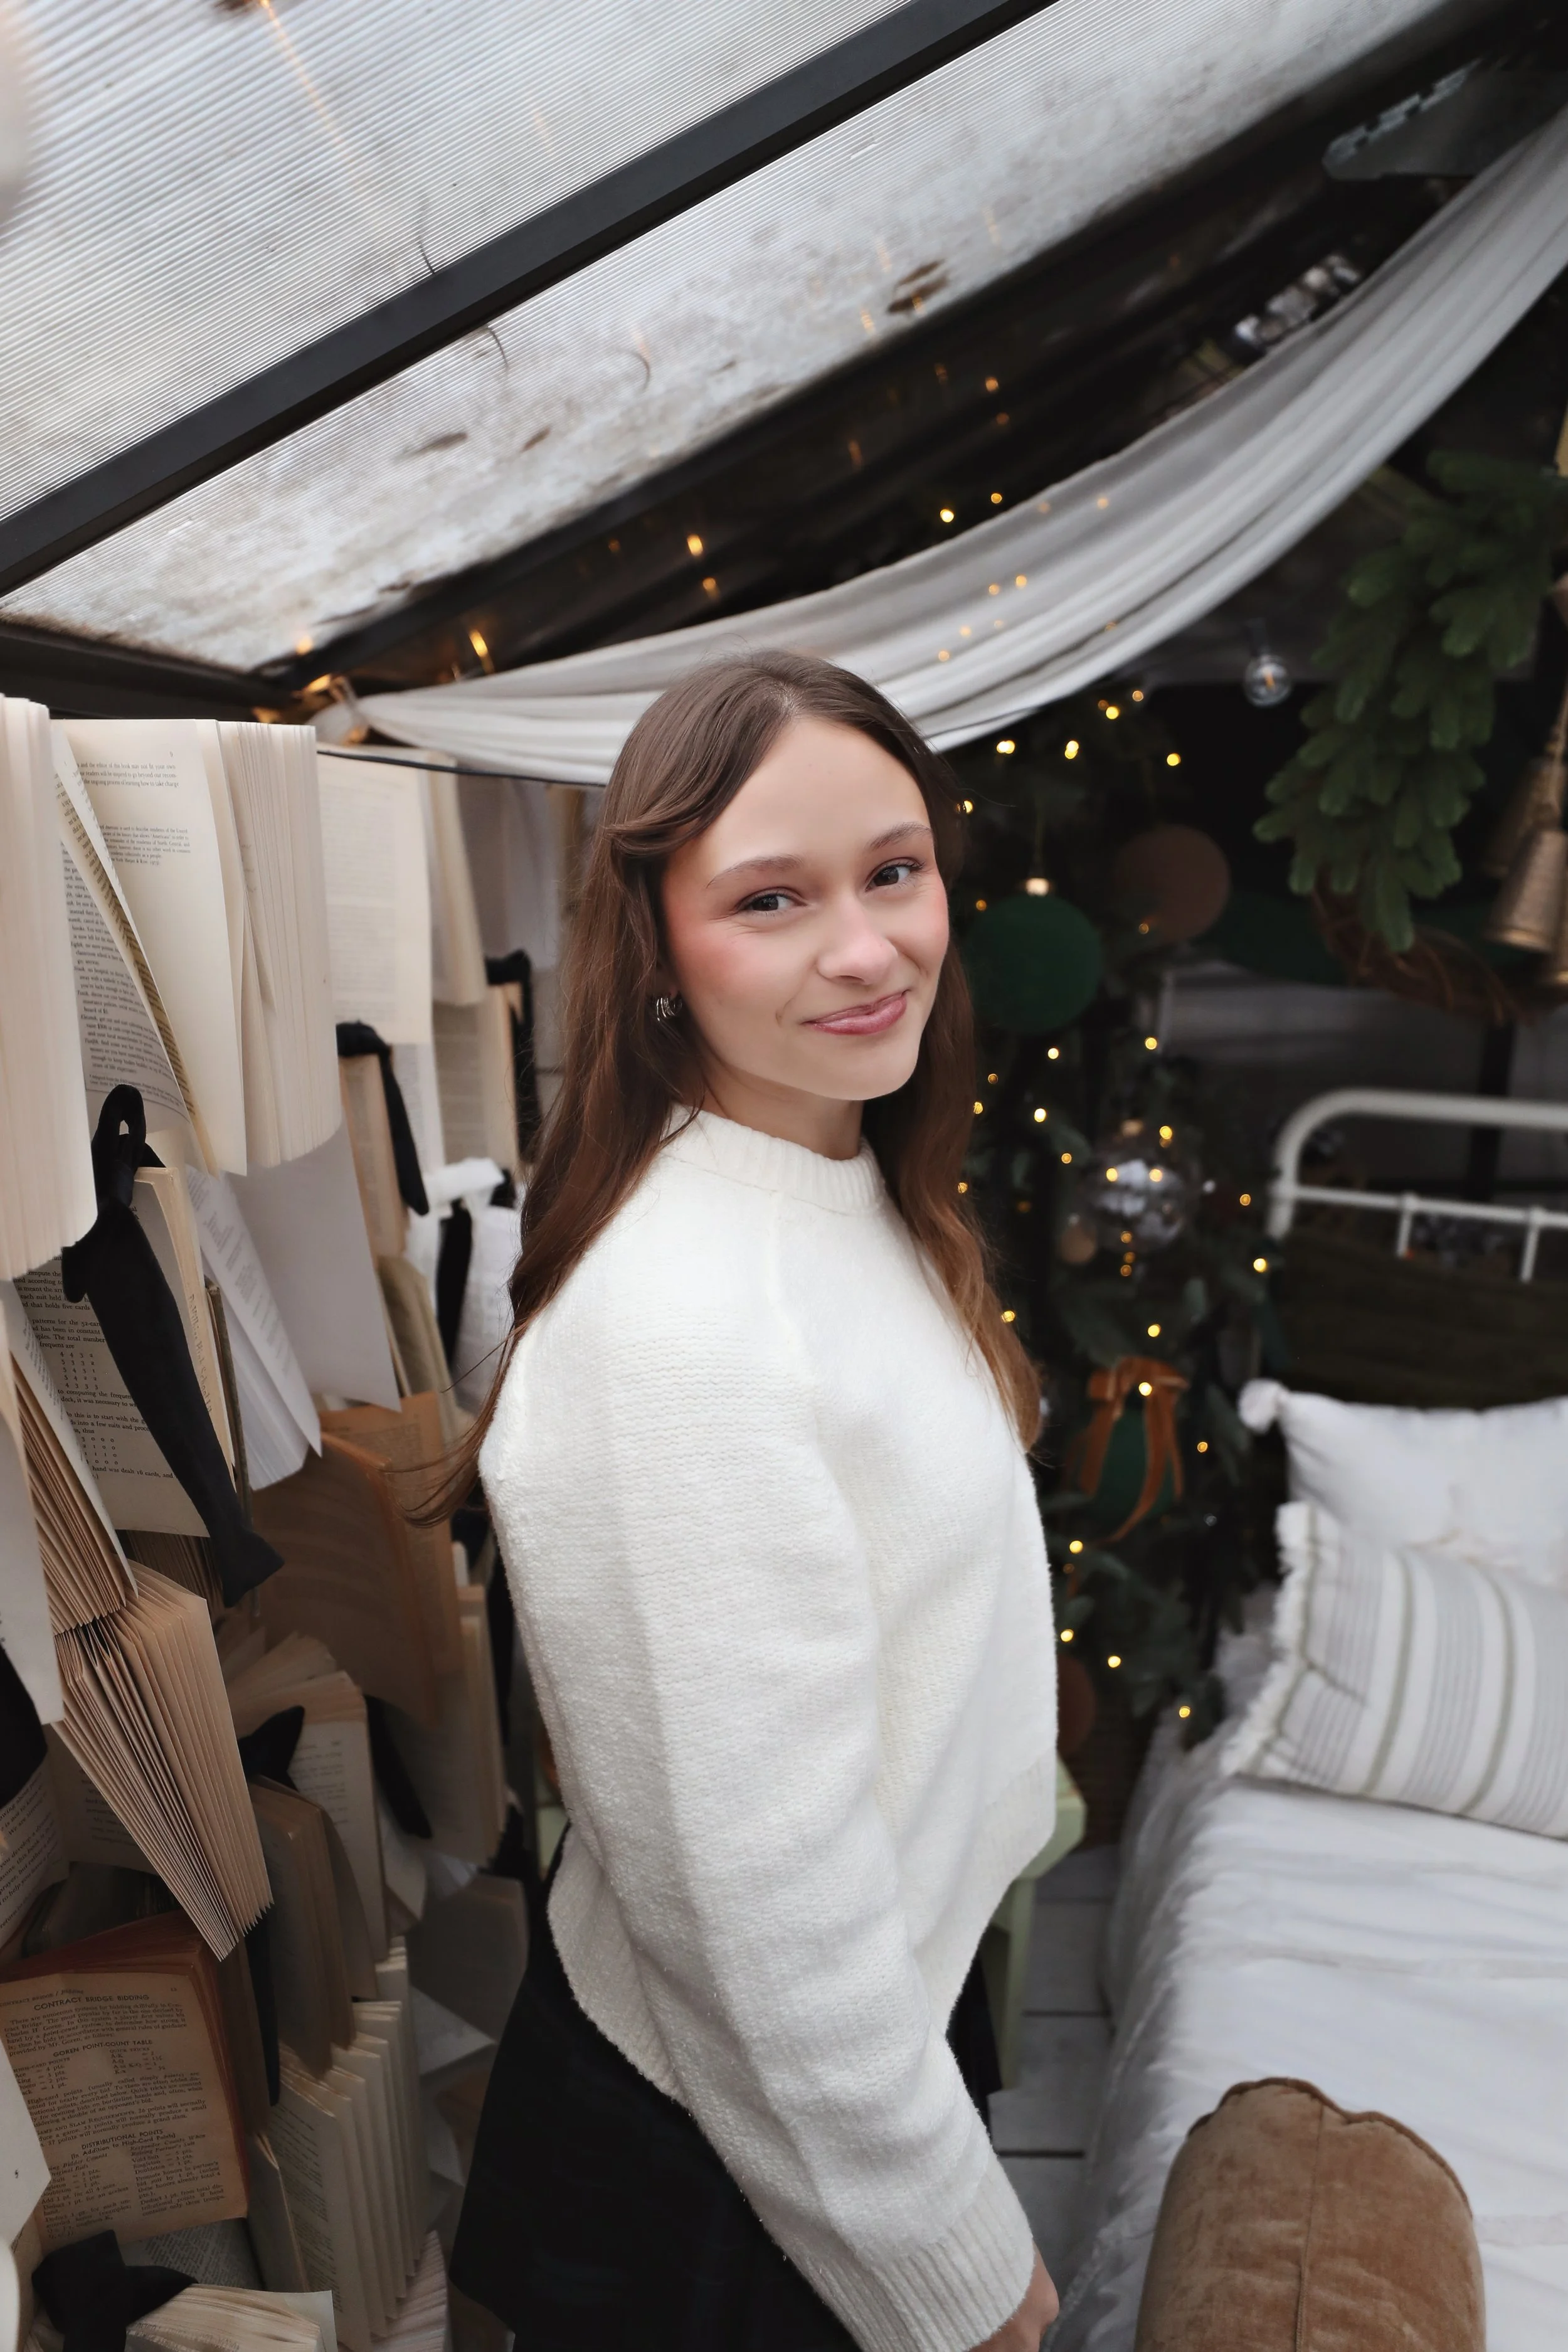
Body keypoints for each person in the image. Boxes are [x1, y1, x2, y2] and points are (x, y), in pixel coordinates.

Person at [445, 652, 1061, 2352]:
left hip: (863, 2054)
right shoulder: (676, 1324)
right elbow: (759, 1919)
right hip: (735, 2150)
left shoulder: (845, 1177)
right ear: (655, 948)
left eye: (894, 868)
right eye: (770, 898)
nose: (866, 949)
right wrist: (965, 2271)